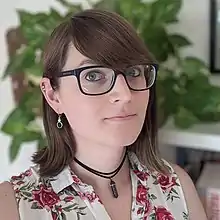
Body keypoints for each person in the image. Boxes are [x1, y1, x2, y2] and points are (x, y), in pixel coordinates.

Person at [0, 9, 207, 220]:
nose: (125, 94)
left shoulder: (177, 186)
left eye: (133, 72)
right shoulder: (14, 206)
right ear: (53, 95)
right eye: (93, 75)